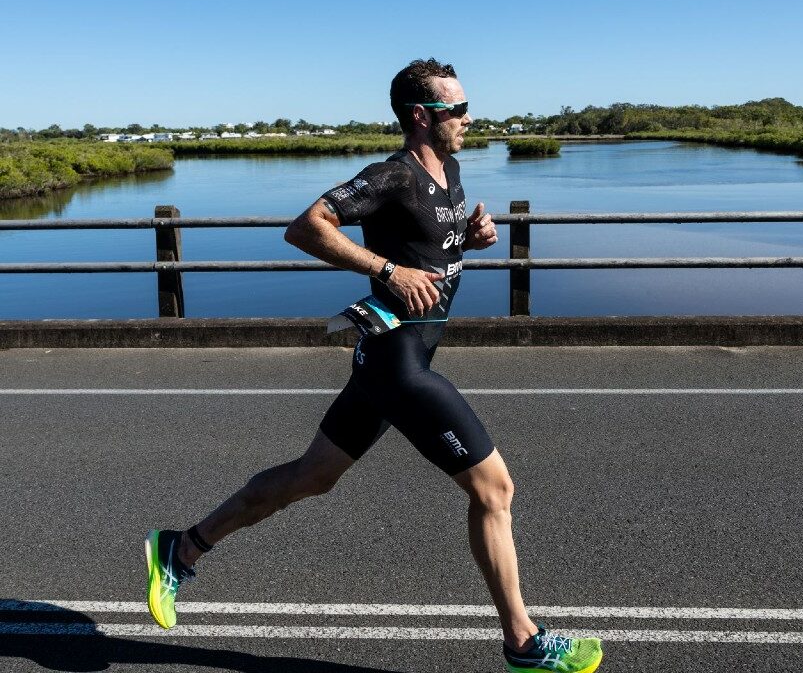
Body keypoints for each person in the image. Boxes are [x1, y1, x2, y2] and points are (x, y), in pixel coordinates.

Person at [144, 58, 603, 673]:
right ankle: (522, 641)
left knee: (313, 475)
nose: (469, 118)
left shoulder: (451, 171)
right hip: (398, 365)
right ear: (421, 116)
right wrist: (385, 271)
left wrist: (471, 237)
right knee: (494, 489)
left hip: (395, 356)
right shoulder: (393, 176)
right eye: (456, 110)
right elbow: (306, 227)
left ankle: (180, 548)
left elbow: (428, 243)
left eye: (468, 106)